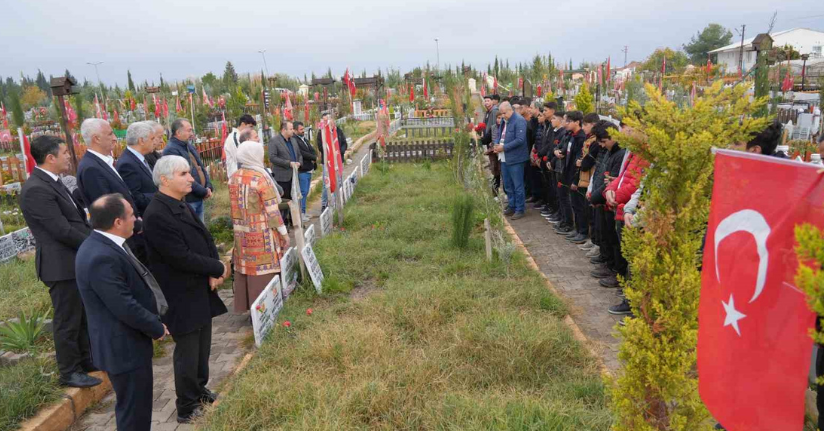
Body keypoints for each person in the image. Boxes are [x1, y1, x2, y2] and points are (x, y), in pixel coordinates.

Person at [141, 155, 228, 423]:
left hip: (197, 288)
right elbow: (180, 256)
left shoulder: (179, 204)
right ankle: (186, 406)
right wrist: (216, 268)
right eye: (184, 174)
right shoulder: (157, 213)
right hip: (180, 293)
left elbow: (204, 238)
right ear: (165, 180)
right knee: (188, 351)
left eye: (189, 173)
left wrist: (214, 267)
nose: (191, 178)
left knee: (202, 347)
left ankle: (200, 390)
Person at [76, 194, 169, 431]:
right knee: (133, 413)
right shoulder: (101, 256)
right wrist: (155, 327)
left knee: (135, 409)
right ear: (117, 222)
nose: (135, 219)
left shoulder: (103, 244)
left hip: (125, 345)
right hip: (123, 348)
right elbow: (123, 305)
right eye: (130, 215)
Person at [20, 135, 99, 389]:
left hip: (73, 260)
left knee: (82, 315)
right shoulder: (36, 189)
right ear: (50, 157)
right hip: (60, 265)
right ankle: (68, 371)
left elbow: (76, 219)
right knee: (67, 320)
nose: (69, 155)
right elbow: (62, 230)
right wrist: (95, 244)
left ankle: (86, 361)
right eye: (64, 152)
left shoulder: (53, 182)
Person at [229, 140, 290, 312]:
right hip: (262, 236)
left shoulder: (234, 177)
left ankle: (248, 307)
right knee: (263, 275)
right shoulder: (260, 177)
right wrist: (284, 233)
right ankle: (266, 311)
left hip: (241, 235)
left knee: (246, 269)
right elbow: (272, 211)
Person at [77, 118, 148, 264]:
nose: (115, 138)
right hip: (123, 236)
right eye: (110, 134)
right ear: (96, 138)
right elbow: (108, 207)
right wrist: (135, 225)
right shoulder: (91, 168)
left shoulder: (102, 162)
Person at [162, 119, 213, 222]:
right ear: (178, 133)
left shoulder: (188, 145)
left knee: (200, 231)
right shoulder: (171, 150)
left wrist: (208, 186)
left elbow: (200, 167)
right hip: (188, 199)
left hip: (199, 197)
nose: (191, 134)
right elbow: (183, 176)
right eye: (189, 130)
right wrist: (203, 191)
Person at [493, 101, 528, 219]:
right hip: (503, 157)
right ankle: (512, 205)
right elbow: (500, 134)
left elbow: (520, 140)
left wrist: (504, 147)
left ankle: (520, 209)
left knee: (517, 185)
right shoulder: (504, 120)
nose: (502, 116)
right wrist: (496, 144)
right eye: (501, 114)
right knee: (507, 184)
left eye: (504, 113)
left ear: (510, 110)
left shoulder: (519, 120)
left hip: (516, 158)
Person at [118, 122, 158, 215]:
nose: (155, 142)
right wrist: (163, 196)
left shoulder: (141, 157)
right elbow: (135, 198)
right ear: (141, 141)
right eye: (152, 139)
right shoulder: (127, 164)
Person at [316, 113, 348, 210]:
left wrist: (340, 151)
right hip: (327, 162)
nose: (328, 122)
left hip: (338, 160)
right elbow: (321, 147)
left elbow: (344, 143)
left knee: (338, 180)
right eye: (325, 120)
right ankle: (325, 203)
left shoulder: (338, 131)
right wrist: (330, 153)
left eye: (329, 119)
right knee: (327, 182)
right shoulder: (321, 133)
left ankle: (338, 201)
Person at [268, 120, 302, 201]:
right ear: (284, 130)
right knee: (286, 202)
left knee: (295, 200)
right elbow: (272, 158)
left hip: (294, 176)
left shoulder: (293, 140)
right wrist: (288, 163)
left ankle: (295, 214)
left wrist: (299, 163)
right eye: (291, 129)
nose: (293, 131)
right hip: (282, 178)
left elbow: (299, 154)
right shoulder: (274, 141)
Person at [293, 121, 317, 222]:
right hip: (302, 170)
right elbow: (302, 153)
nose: (303, 131)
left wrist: (313, 156)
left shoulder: (304, 139)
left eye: (303, 129)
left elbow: (311, 150)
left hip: (309, 168)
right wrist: (313, 157)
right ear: (295, 130)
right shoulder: (295, 140)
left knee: (306, 192)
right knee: (303, 192)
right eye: (301, 129)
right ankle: (301, 214)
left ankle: (304, 212)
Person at [223, 114, 257, 179]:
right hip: (236, 176)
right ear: (243, 124)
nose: (251, 129)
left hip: (243, 174)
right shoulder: (234, 138)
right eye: (250, 126)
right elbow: (240, 157)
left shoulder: (241, 136)